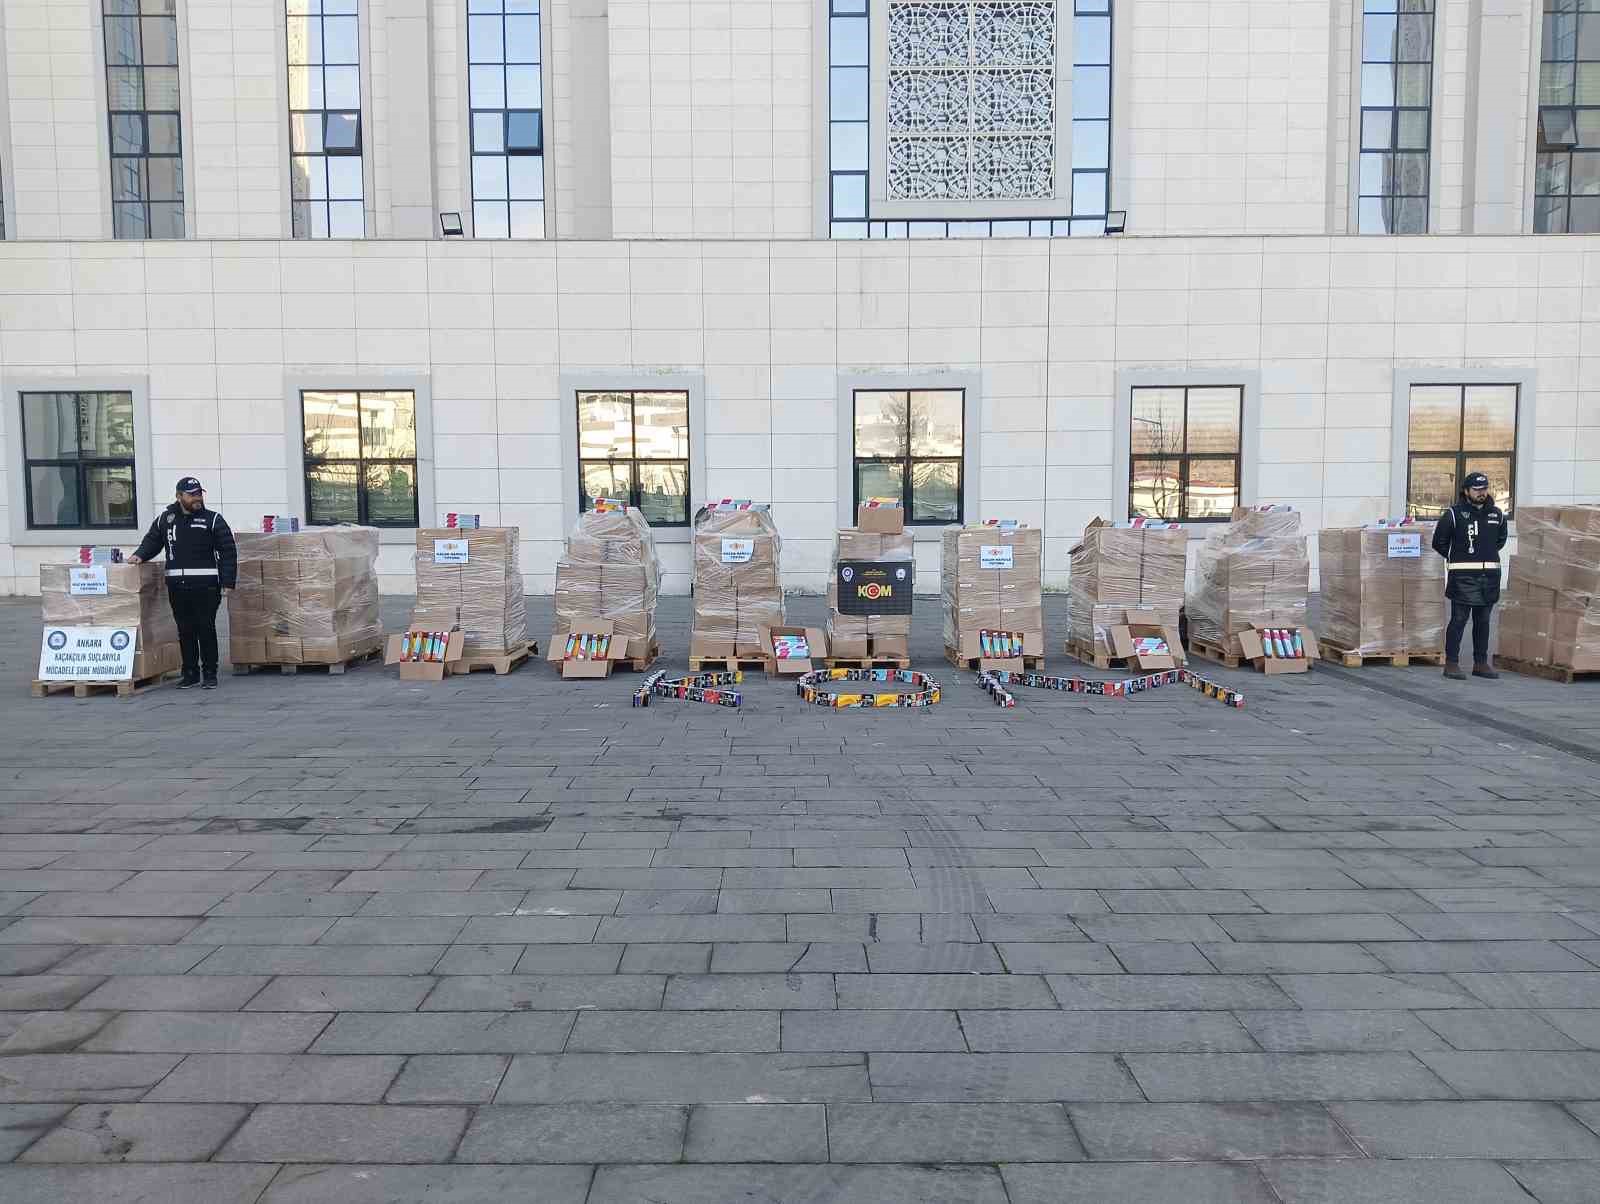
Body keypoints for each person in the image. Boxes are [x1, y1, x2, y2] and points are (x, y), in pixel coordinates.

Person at [129, 477, 237, 689]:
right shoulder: (166, 519)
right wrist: (139, 555)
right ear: (179, 496)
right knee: (185, 629)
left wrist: (228, 582)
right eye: (192, 494)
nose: (197, 498)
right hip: (177, 586)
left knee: (205, 628)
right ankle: (190, 673)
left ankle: (209, 673)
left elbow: (228, 551)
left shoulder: (213, 519)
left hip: (206, 586)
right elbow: (152, 541)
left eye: (199, 493)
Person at [1431, 471, 1506, 681]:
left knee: (1483, 621)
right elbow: (1439, 542)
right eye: (1477, 489)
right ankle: (1452, 663)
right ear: (1466, 491)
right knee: (1459, 619)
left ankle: (1480, 663)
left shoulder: (1497, 515)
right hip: (1463, 577)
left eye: (1484, 489)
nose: (1481, 493)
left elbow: (1500, 541)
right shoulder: (1454, 514)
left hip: (1489, 577)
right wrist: (1457, 556)